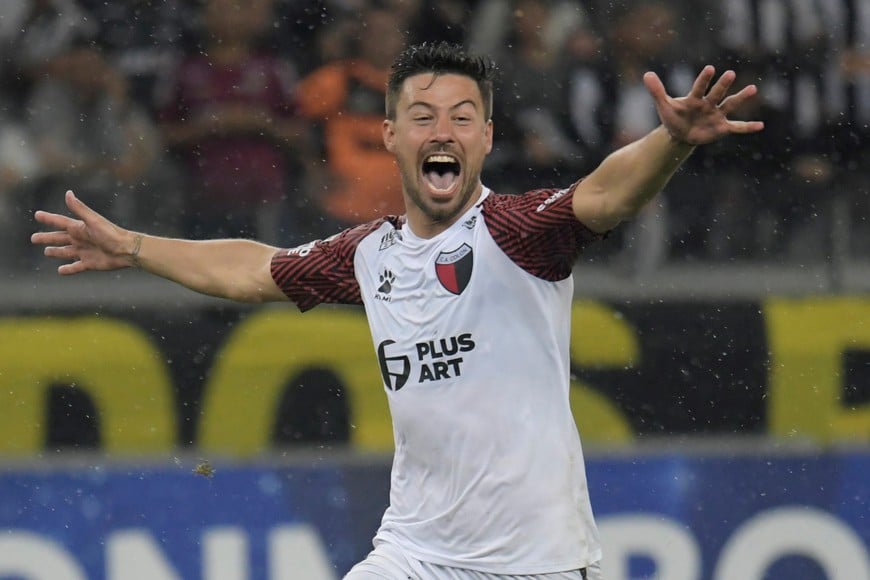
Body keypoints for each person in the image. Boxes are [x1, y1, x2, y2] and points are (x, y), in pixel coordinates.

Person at [32, 42, 763, 580]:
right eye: (421, 116)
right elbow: (254, 270)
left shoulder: (518, 233)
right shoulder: (368, 254)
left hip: (536, 560)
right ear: (390, 135)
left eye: (462, 117)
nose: (442, 131)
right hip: (415, 554)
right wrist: (134, 246)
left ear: (486, 138)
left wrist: (671, 142)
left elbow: (605, 194)